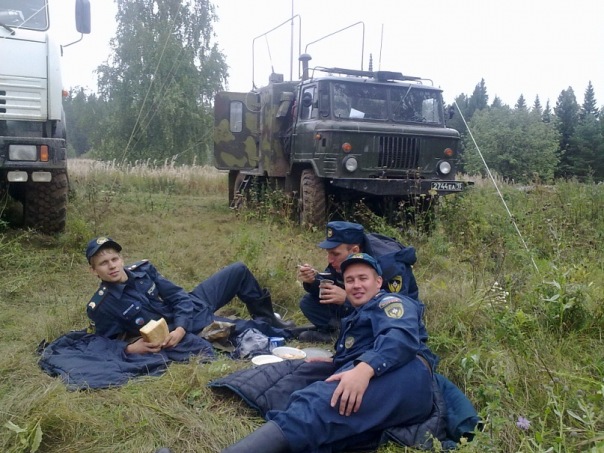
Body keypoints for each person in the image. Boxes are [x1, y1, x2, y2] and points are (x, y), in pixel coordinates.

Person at [222, 253, 436, 452]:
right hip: (382, 368)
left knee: (318, 404)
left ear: (378, 282)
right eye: (350, 280)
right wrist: (338, 361)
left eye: (363, 278)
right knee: (304, 375)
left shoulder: (390, 302)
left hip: (406, 372)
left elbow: (399, 337)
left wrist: (364, 369)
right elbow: (363, 347)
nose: (356, 285)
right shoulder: (359, 312)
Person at [85, 236, 294, 355]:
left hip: (189, 308)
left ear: (121, 259)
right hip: (190, 327)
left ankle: (267, 315)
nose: (112, 266)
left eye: (114, 259)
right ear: (94, 271)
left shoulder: (143, 271)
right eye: (103, 263)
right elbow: (104, 343)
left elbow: (177, 295)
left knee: (238, 270)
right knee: (249, 328)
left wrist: (181, 326)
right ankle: (290, 332)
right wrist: (131, 348)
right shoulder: (103, 305)